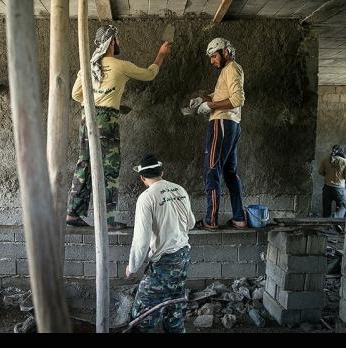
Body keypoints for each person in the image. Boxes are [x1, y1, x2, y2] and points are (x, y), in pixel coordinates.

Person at [67, 25, 171, 231]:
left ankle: (72, 213)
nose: (119, 42)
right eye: (118, 39)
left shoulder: (88, 66)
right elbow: (150, 74)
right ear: (112, 41)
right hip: (107, 120)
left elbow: (76, 95)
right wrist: (161, 54)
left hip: (87, 117)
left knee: (84, 165)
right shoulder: (120, 65)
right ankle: (107, 219)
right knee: (109, 169)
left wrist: (100, 99)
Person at [125, 154, 195, 333]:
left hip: (164, 264)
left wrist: (132, 267)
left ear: (142, 178)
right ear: (162, 172)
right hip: (183, 258)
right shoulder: (179, 189)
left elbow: (141, 240)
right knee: (174, 310)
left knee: (142, 317)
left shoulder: (147, 198)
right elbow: (191, 223)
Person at [189, 38, 247, 230]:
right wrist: (202, 100)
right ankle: (239, 218)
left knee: (211, 169)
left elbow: (237, 99)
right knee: (230, 173)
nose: (212, 60)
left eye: (214, 56)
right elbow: (221, 95)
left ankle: (211, 220)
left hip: (222, 123)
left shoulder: (231, 68)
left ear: (226, 52)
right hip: (232, 125)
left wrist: (210, 106)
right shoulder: (228, 71)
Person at [319, 144, 346, 218]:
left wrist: (327, 175)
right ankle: (337, 216)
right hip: (339, 189)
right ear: (341, 151)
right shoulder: (345, 161)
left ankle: (326, 225)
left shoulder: (325, 160)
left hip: (327, 187)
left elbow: (320, 172)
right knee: (342, 207)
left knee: (326, 208)